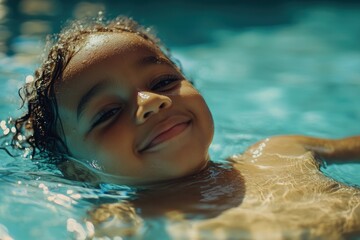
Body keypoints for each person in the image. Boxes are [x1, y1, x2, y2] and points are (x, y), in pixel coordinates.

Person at [8, 16, 360, 239]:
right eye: (108, 113)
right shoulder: (121, 223)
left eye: (163, 81)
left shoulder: (283, 152)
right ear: (76, 171)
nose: (150, 102)